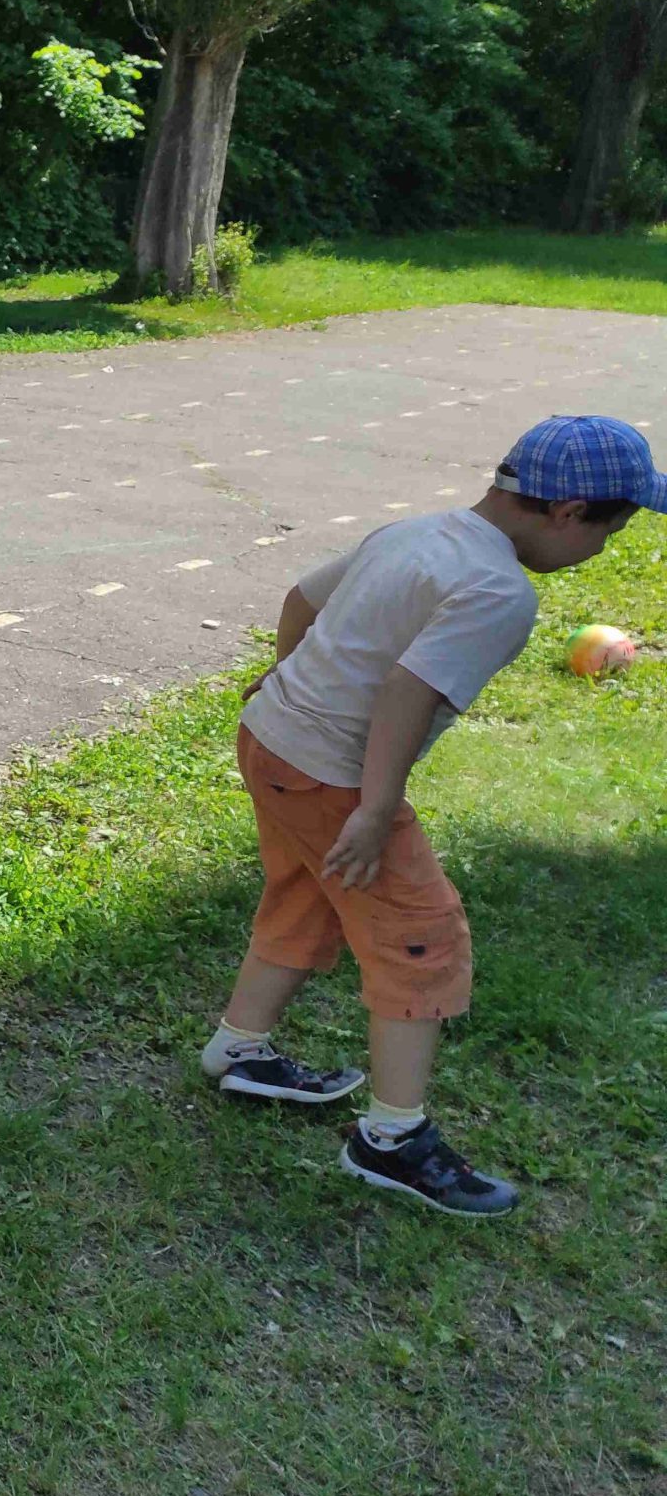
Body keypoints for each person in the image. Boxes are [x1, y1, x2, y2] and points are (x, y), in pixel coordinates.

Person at [200, 415, 661, 1216]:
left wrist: (285, 679)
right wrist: (377, 809)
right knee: (422, 937)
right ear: (569, 512)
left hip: (271, 738)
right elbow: (407, 693)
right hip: (332, 776)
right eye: (610, 532)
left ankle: (239, 1050)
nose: (602, 549)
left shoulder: (415, 532)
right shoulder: (499, 592)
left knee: (310, 893)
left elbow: (301, 599)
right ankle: (391, 1140)